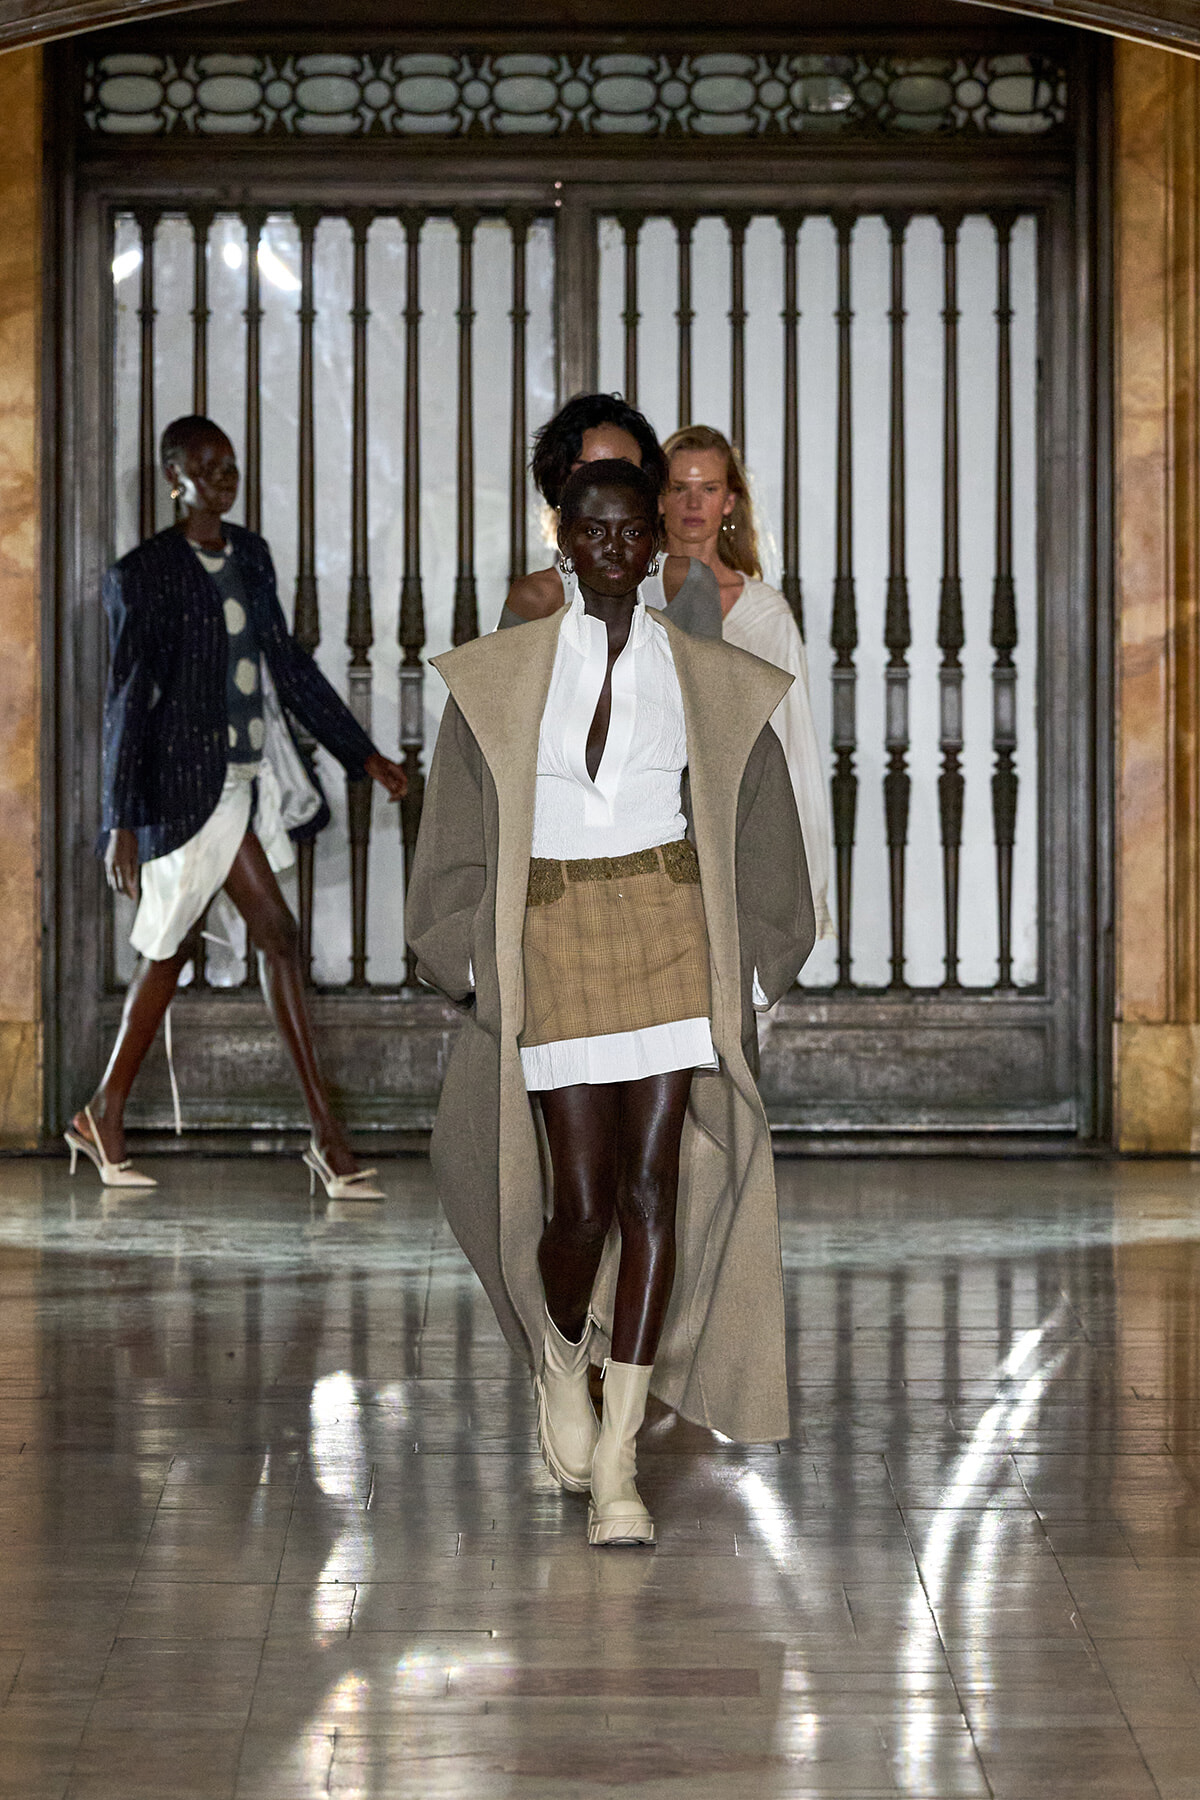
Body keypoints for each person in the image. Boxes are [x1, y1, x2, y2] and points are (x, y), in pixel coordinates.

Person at [407, 459, 815, 1548]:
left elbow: (763, 806)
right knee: (579, 1201)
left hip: (666, 924)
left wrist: (766, 957)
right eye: (592, 532)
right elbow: (451, 819)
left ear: (653, 547)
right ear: (562, 539)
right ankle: (560, 1355)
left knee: (651, 1190)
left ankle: (623, 1454)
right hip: (551, 932)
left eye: (631, 534)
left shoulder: (701, 672)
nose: (612, 550)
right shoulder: (503, 674)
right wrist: (465, 955)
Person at [66, 415, 407, 1198]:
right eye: (206, 467)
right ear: (173, 478)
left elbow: (286, 664)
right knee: (180, 949)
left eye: (230, 466)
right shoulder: (142, 572)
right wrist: (120, 821)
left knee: (269, 941)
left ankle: (323, 1137)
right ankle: (106, 1113)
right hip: (185, 790)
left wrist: (361, 752)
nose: (224, 477)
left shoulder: (249, 555)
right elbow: (126, 703)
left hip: (242, 781)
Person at [655, 425, 835, 941]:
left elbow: (794, 746)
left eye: (708, 488)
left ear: (730, 501)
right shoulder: (627, 598)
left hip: (742, 835)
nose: (694, 502)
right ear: (660, 498)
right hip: (646, 834)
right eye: (678, 487)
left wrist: (808, 891)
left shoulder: (766, 615)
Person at [498, 392, 720, 638]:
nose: (607, 487)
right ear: (561, 487)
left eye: (622, 469)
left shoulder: (689, 584)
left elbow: (711, 675)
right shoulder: (534, 599)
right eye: (588, 472)